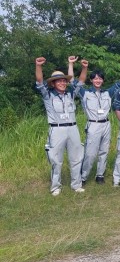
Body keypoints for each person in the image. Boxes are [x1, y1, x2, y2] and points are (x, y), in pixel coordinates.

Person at [35, 56, 86, 196]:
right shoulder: (48, 95)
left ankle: (76, 184)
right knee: (56, 160)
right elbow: (39, 81)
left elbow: (81, 82)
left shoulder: (70, 93)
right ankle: (55, 187)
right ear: (53, 83)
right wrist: (38, 65)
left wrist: (84, 68)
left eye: (64, 81)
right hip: (56, 129)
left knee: (76, 158)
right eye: (60, 81)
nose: (63, 83)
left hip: (73, 128)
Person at [75, 59, 120, 185]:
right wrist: (84, 68)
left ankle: (100, 175)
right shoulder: (85, 93)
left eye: (100, 78)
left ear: (103, 80)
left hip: (106, 124)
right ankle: (83, 176)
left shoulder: (107, 93)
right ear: (91, 80)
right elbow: (75, 83)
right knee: (90, 153)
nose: (98, 81)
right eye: (95, 78)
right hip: (93, 124)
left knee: (104, 151)